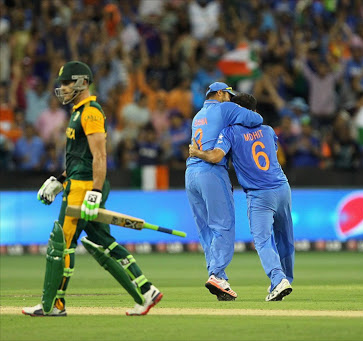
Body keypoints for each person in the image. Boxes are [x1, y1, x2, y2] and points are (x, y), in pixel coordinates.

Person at [22, 61, 162, 317]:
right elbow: (81, 158)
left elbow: (99, 156)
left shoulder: (90, 112)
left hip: (85, 187)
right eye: (61, 83)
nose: (62, 87)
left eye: (67, 82)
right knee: (101, 242)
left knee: (61, 243)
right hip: (78, 182)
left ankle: (53, 305)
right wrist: (60, 180)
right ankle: (147, 290)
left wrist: (95, 191)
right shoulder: (78, 111)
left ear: (82, 82)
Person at [189, 93, 294, 301]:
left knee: (263, 241)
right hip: (282, 187)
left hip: (259, 195)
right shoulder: (268, 130)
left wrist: (196, 152)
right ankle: (286, 278)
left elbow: (216, 156)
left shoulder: (229, 132)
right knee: (285, 237)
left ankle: (278, 279)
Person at [186, 82, 263, 301]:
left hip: (191, 173)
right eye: (229, 95)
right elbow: (256, 119)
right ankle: (217, 275)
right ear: (220, 93)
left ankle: (218, 276)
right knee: (223, 225)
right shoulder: (224, 108)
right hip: (211, 172)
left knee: (206, 230)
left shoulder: (198, 114)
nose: (231, 99)